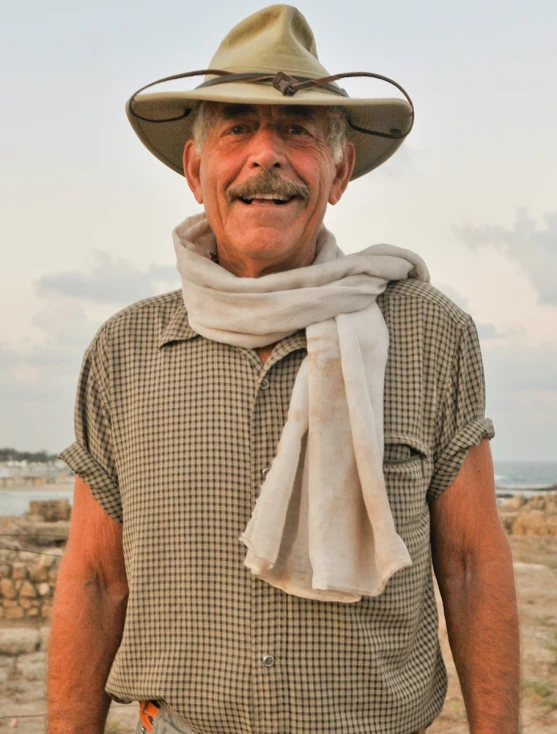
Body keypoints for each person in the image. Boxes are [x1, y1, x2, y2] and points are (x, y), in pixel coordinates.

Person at [47, 5, 520, 734]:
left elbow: (468, 562)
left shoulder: (429, 332)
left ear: (339, 170)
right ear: (196, 168)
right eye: (237, 126)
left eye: (296, 130)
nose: (265, 154)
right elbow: (95, 580)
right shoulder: (124, 349)